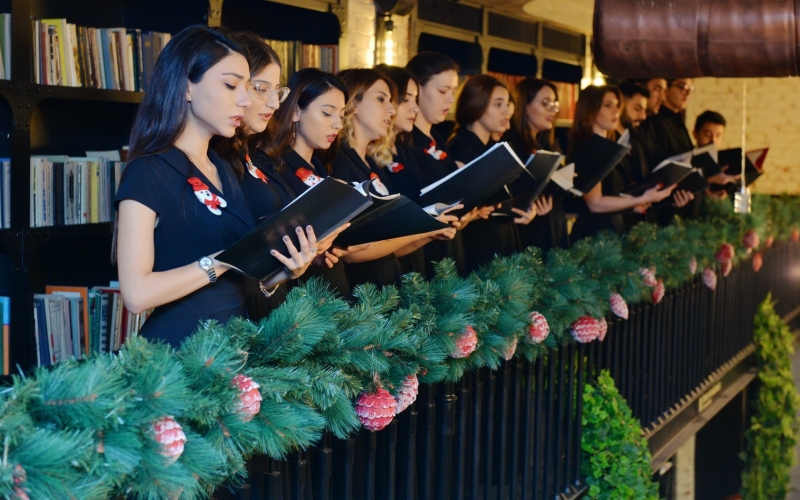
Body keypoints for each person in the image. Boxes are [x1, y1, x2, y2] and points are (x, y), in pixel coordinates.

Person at [115, 26, 316, 347]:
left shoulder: (221, 166)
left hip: (234, 344)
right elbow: (137, 295)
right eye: (230, 85)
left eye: (248, 86)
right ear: (186, 87)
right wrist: (219, 261)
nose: (244, 98)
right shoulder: (147, 171)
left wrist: (284, 274)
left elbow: (240, 279)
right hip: (179, 355)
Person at [212, 32, 345, 318]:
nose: (274, 104)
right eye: (261, 89)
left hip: (272, 303)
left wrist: (305, 252)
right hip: (233, 313)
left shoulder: (249, 153)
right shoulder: (217, 159)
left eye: (277, 92)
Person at [331, 68, 458, 288]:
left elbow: (393, 245)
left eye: (391, 101)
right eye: (381, 99)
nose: (391, 109)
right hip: (365, 292)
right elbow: (352, 251)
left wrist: (431, 231)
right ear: (353, 104)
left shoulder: (369, 163)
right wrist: (426, 227)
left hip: (390, 284)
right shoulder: (340, 163)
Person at [261, 67, 361, 298]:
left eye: (342, 115)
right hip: (299, 299)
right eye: (327, 113)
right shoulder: (274, 168)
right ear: (295, 111)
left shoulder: (322, 166)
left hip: (333, 287)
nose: (338, 124)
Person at [403, 52, 488, 276]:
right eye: (442, 91)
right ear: (416, 90)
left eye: (453, 92)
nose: (450, 100)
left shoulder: (437, 138)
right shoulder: (404, 144)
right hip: (421, 259)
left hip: (449, 248)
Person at [373, 64, 461, 278]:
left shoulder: (405, 148)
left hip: (419, 259)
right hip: (389, 270)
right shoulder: (371, 156)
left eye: (415, 99)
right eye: (406, 100)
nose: (415, 107)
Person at [448, 74, 538, 271]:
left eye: (507, 103)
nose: (507, 111)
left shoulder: (493, 148)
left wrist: (526, 208)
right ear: (476, 105)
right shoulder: (460, 148)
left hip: (503, 238)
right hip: (477, 244)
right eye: (498, 104)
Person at [568, 85, 675, 242]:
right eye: (608, 105)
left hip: (615, 230)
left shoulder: (609, 145)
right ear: (590, 109)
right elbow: (595, 203)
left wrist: (633, 204)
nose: (616, 111)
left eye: (618, 105)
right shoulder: (588, 146)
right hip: (594, 236)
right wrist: (641, 199)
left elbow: (612, 193)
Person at [503, 78, 563, 251]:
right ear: (524, 105)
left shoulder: (547, 143)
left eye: (555, 104)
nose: (553, 109)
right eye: (546, 103)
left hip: (550, 222)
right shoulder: (511, 142)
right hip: (525, 230)